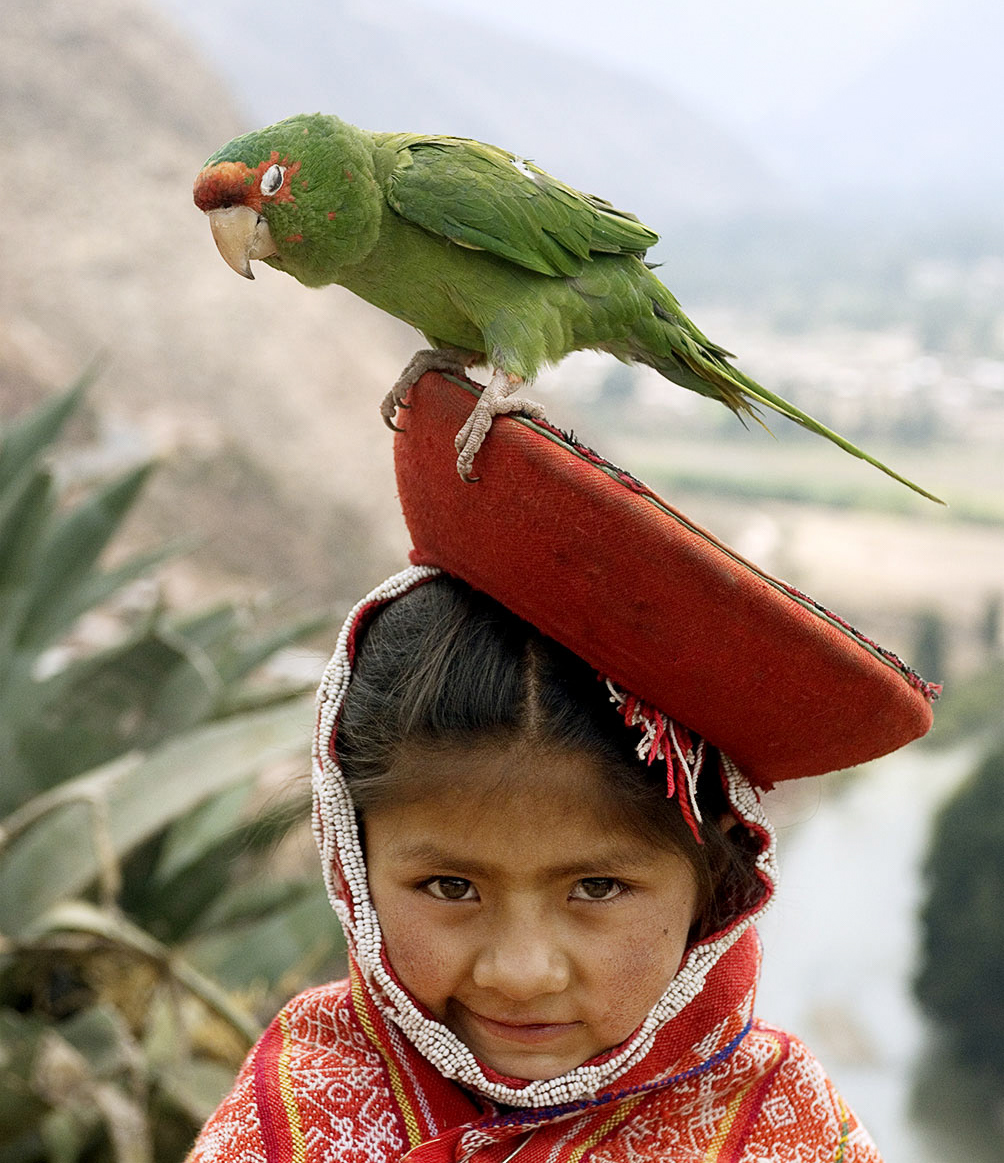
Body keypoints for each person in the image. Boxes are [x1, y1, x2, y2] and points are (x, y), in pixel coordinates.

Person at [189, 373, 939, 1163]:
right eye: (450, 887)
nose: (520, 972)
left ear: (713, 881)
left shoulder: (781, 1134)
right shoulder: (295, 1120)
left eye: (596, 888)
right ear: (354, 862)